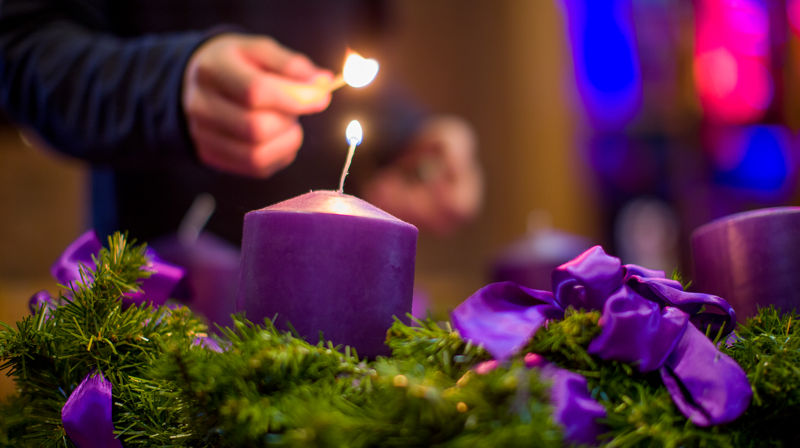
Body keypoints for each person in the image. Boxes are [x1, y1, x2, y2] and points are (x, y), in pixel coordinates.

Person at [0, 0, 483, 245]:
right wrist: (167, 86)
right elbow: (19, 45)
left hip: (335, 327)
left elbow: (345, 44)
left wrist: (406, 134)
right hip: (158, 314)